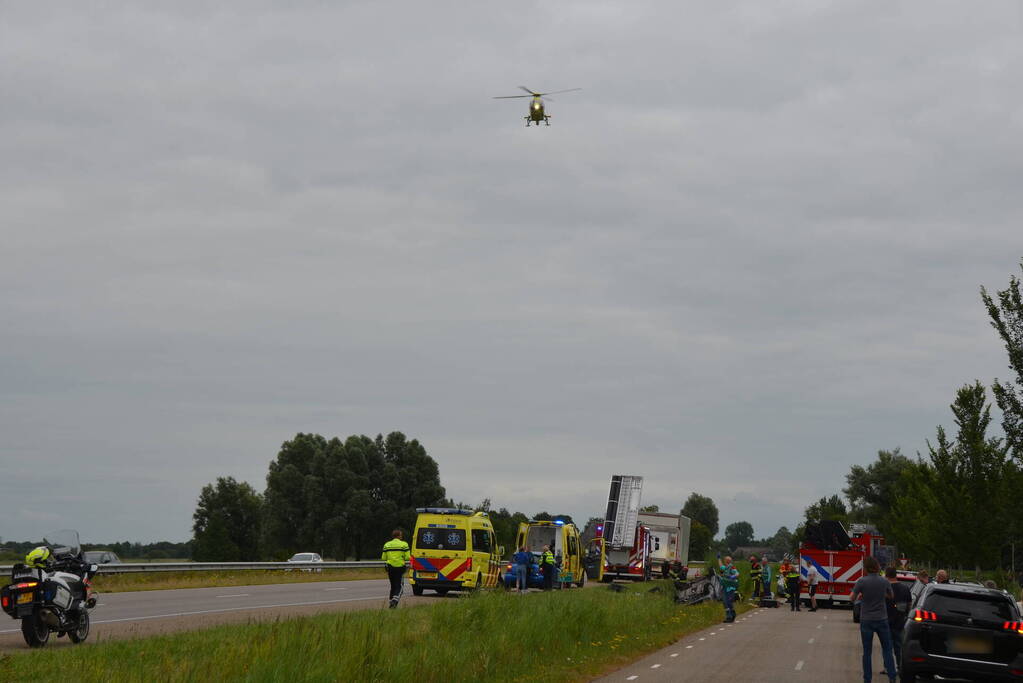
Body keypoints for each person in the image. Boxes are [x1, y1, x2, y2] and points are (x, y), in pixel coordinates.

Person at [850, 556, 897, 683]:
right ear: (877, 567)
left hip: (866, 620)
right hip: (882, 619)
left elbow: (852, 598)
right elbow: (891, 596)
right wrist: (882, 594)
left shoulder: (861, 581)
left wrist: (861, 595)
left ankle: (867, 679)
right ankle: (892, 677)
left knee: (867, 651)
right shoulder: (884, 581)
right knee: (887, 649)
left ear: (866, 568)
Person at [884, 566, 912, 676]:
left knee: (887, 646)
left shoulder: (885, 588)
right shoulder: (905, 588)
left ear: (886, 575)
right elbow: (909, 605)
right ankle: (900, 667)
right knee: (899, 646)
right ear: (895, 574)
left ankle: (887, 667)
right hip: (900, 621)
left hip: (886, 620)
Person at [381, 529, 411, 608]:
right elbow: (408, 557)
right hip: (400, 568)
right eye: (401, 535)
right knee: (400, 587)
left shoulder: (387, 544)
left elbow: (383, 558)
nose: (402, 536)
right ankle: (394, 601)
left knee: (393, 586)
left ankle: (391, 604)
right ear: (399, 536)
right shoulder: (404, 544)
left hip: (390, 567)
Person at [717, 554, 739, 623]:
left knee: (728, 602)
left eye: (725, 560)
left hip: (730, 587)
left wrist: (733, 577)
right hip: (725, 587)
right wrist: (719, 559)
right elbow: (721, 566)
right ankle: (730, 615)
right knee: (725, 602)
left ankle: (731, 615)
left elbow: (737, 573)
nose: (724, 561)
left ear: (727, 561)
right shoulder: (726, 567)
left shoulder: (731, 567)